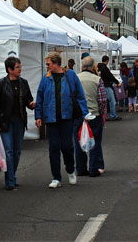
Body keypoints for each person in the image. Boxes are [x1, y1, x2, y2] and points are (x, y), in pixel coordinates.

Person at [35, 51, 88, 189]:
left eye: (48, 64)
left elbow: (80, 95)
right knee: (53, 148)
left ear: (56, 63)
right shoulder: (45, 78)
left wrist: (85, 114)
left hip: (67, 117)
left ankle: (70, 170)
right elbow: (39, 97)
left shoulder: (70, 75)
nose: (47, 66)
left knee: (67, 146)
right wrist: (38, 116)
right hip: (51, 118)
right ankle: (56, 177)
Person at [0, 56, 36, 190]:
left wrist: (31, 104)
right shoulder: (0, 83)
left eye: (20, 67)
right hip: (6, 121)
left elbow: (28, 99)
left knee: (17, 151)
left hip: (19, 120)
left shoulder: (23, 83)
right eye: (17, 67)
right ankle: (10, 180)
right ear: (9, 69)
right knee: (9, 150)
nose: (20, 69)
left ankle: (11, 175)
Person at [74, 56, 108, 177]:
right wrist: (101, 112)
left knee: (78, 142)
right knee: (95, 142)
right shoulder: (97, 79)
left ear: (82, 66)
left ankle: (80, 168)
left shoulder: (75, 78)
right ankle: (94, 168)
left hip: (78, 115)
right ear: (94, 67)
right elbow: (102, 100)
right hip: (94, 114)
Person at [98, 56, 120, 120]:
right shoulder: (105, 68)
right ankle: (113, 115)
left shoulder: (99, 68)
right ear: (107, 61)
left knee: (103, 102)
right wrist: (117, 82)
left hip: (101, 86)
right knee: (112, 101)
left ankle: (103, 115)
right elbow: (110, 76)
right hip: (107, 86)